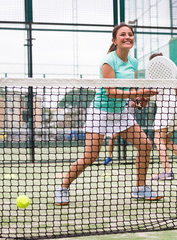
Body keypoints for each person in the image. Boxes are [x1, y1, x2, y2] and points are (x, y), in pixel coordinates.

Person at [55, 23, 163, 205]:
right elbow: (111, 91)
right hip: (100, 114)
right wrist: (136, 93)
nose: (127, 37)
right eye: (123, 35)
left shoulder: (134, 63)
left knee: (146, 146)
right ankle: (62, 188)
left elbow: (130, 90)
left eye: (130, 34)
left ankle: (140, 188)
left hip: (121, 113)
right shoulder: (108, 61)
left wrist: (139, 100)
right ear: (115, 40)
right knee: (90, 157)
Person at [147, 53, 177, 180]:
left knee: (158, 140)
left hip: (165, 110)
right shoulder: (169, 78)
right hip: (176, 109)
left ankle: (167, 171)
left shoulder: (153, 79)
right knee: (166, 140)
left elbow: (149, 96)